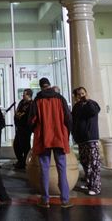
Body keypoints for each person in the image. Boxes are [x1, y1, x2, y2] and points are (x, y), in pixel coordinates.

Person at [30, 77, 73, 209]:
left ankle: (45, 200)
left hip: (43, 138)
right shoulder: (60, 98)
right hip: (59, 137)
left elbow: (32, 120)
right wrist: (66, 134)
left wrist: (36, 131)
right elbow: (68, 118)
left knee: (44, 169)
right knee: (62, 168)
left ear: (41, 86)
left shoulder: (37, 100)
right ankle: (65, 200)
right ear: (49, 85)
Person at [72, 86, 102, 196]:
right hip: (81, 139)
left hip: (91, 139)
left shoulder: (92, 104)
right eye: (79, 94)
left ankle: (96, 187)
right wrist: (75, 135)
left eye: (83, 93)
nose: (81, 96)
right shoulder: (76, 107)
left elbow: (94, 111)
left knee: (94, 163)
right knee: (85, 162)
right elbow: (74, 121)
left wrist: (87, 101)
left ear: (86, 93)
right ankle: (89, 183)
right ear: (75, 97)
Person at [13, 88, 33, 170]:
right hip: (19, 128)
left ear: (29, 95)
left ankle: (25, 162)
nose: (23, 96)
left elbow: (29, 117)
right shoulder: (21, 102)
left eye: (24, 94)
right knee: (16, 145)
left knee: (25, 146)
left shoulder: (31, 104)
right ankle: (20, 161)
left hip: (25, 129)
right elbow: (18, 111)